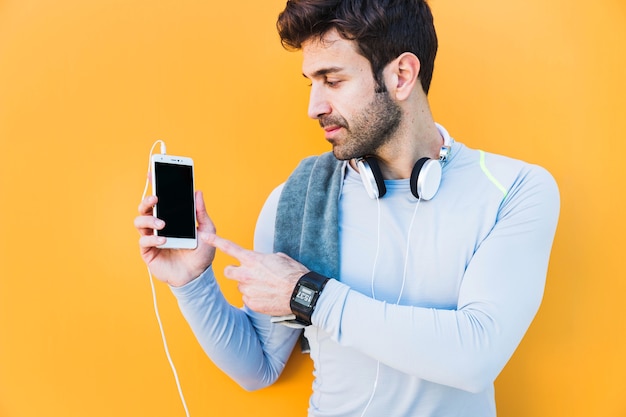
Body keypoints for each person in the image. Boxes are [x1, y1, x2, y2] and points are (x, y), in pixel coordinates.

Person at [134, 0, 560, 415]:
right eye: (310, 83)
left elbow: (475, 358)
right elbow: (258, 367)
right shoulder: (297, 200)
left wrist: (310, 296)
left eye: (332, 80)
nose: (313, 107)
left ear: (402, 75)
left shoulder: (514, 190)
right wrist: (192, 284)